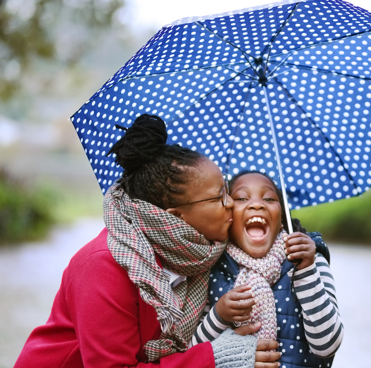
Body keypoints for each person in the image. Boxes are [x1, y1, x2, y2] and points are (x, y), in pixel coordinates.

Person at [14, 115, 281, 368]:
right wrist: (215, 358)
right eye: (219, 196)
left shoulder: (198, 253)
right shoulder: (103, 267)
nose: (231, 203)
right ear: (176, 217)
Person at [190, 171, 344, 368]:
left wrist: (306, 271)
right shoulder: (210, 269)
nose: (256, 204)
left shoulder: (311, 261)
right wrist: (218, 316)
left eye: (269, 198)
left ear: (281, 218)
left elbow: (328, 346)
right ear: (228, 216)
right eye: (241, 198)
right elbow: (193, 355)